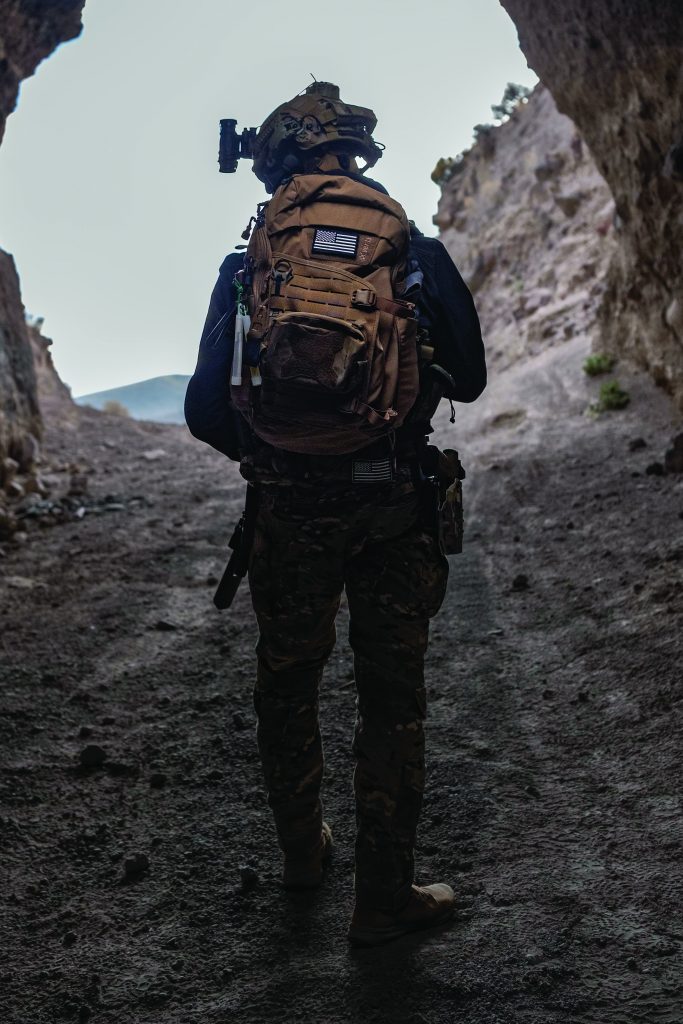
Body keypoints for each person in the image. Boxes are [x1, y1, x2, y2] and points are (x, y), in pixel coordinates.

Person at [185, 82, 486, 947]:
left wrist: (279, 458)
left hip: (289, 509)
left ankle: (301, 857)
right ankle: (382, 897)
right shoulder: (409, 246)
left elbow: (209, 409)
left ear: (277, 165)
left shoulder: (253, 261)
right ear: (351, 156)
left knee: (288, 677)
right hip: (394, 502)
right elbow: (465, 376)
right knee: (392, 699)